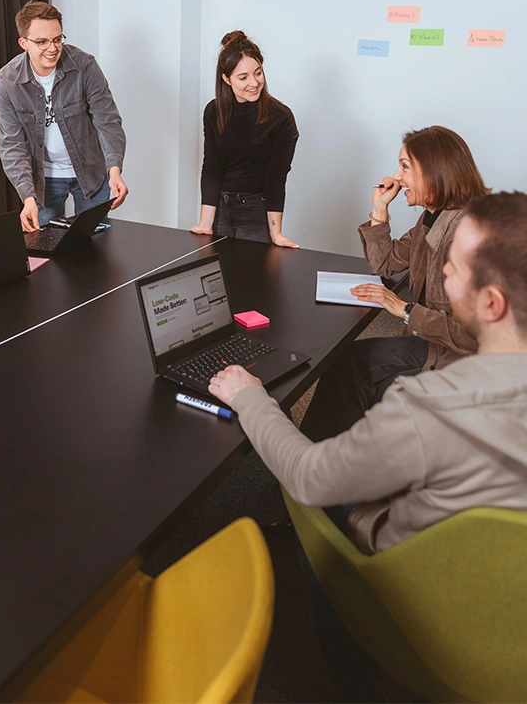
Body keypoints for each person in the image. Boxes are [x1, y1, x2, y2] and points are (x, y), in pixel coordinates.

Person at [209, 190, 527, 699]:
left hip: (429, 615)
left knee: (310, 493)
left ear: (492, 303)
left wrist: (251, 398)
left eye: (456, 266)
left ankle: (351, 677)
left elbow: (311, 477)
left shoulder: (427, 406)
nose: (442, 271)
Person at [299, 125, 489, 442]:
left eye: (405, 167)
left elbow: (473, 335)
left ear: (435, 171)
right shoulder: (431, 218)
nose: (396, 177)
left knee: (354, 369)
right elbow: (385, 263)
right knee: (348, 363)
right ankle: (327, 459)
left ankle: (309, 466)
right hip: (434, 344)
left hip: (459, 359)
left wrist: (402, 308)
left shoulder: (472, 236)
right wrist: (379, 210)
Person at [0, 0, 128, 232]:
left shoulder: (84, 66)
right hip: (43, 180)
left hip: (90, 173)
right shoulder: (7, 81)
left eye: (57, 39)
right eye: (42, 41)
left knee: (96, 250)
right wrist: (27, 196)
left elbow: (107, 121)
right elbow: (11, 144)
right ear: (23, 43)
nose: (53, 48)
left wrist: (114, 170)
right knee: (46, 250)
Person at [190, 31, 299, 246]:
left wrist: (276, 234)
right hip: (221, 206)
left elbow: (276, 177)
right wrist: (205, 223)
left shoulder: (281, 117)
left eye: (258, 73)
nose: (254, 82)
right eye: (243, 77)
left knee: (250, 277)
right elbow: (212, 168)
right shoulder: (213, 112)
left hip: (256, 210)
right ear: (226, 79)